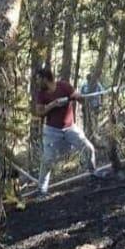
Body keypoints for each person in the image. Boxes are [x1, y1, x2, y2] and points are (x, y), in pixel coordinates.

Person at [32, 66, 100, 197]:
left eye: (38, 79)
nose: (36, 82)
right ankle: (42, 190)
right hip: (52, 131)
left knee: (89, 148)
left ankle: (93, 174)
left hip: (70, 128)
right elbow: (39, 112)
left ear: (45, 78)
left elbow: (80, 98)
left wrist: (77, 96)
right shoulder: (42, 94)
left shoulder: (64, 86)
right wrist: (53, 104)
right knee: (48, 159)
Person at [79, 71, 104, 140]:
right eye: (88, 79)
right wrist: (82, 104)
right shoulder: (84, 85)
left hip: (95, 105)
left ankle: (96, 133)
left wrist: (101, 102)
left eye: (90, 79)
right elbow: (80, 95)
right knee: (86, 119)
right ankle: (85, 133)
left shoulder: (97, 85)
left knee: (95, 119)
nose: (89, 80)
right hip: (86, 106)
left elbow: (102, 93)